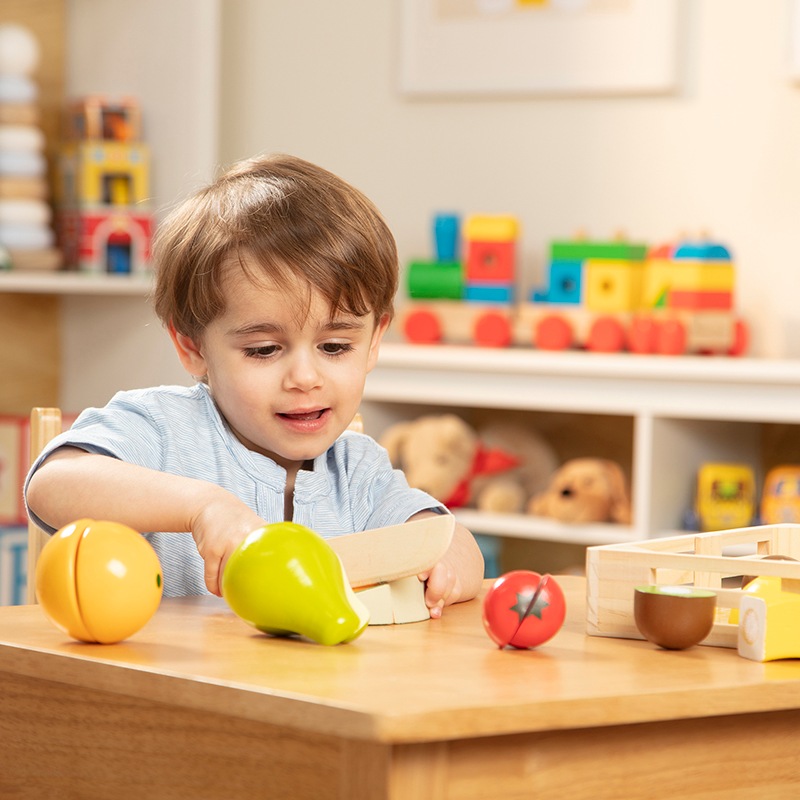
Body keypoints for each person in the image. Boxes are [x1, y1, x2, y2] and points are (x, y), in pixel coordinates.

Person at [25, 154, 484, 617]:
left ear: (373, 341)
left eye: (335, 346)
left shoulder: (360, 472)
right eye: (264, 350)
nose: (305, 378)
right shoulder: (164, 430)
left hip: (309, 689)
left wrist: (447, 561)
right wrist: (201, 506)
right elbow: (52, 483)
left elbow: (447, 538)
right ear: (193, 348)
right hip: (173, 685)